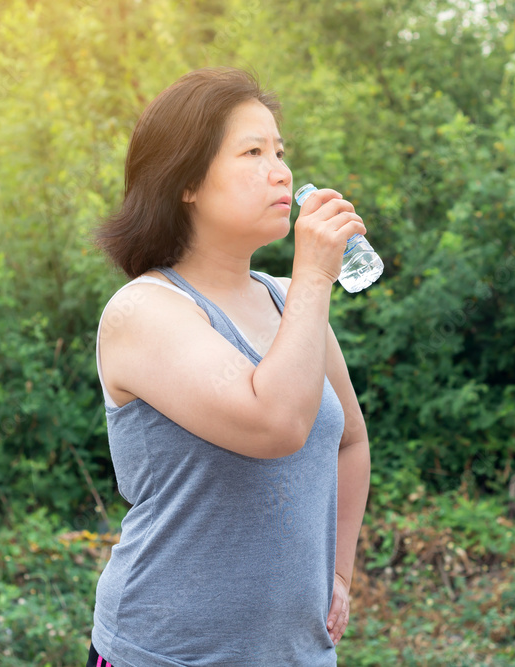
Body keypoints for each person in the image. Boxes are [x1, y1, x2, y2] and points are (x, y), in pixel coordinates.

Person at [86, 67, 371, 666]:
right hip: (164, 654)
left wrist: (340, 573)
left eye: (280, 151)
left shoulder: (289, 301)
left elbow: (349, 439)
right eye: (252, 151)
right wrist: (317, 276)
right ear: (186, 181)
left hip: (299, 655)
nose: (282, 170)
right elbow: (276, 426)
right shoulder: (143, 311)